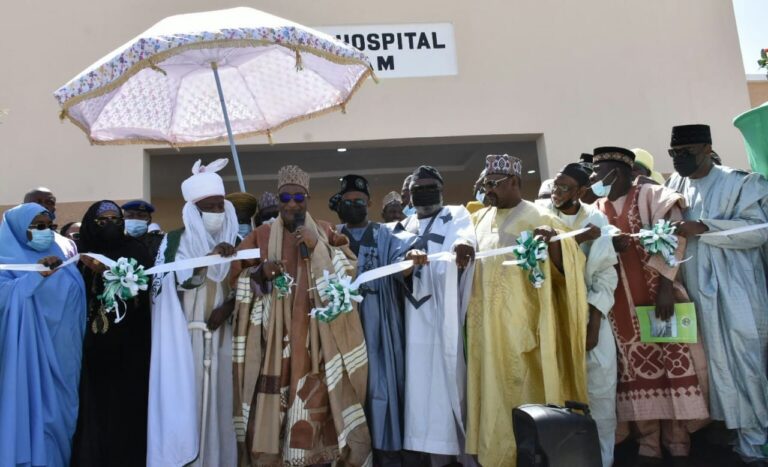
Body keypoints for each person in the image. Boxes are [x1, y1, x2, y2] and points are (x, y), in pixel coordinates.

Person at [230, 165, 372, 466]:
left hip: (318, 344)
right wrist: (260, 273)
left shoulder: (324, 230)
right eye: (285, 198)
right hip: (274, 346)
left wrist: (318, 246)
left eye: (298, 197)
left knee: (316, 416)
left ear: (307, 198)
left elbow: (349, 267)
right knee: (269, 420)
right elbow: (236, 275)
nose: (292, 204)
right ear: (279, 201)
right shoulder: (262, 235)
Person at [465, 155, 589, 467]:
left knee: (524, 394)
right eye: (485, 183)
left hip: (525, 326)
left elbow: (570, 270)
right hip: (485, 329)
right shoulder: (479, 220)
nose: (487, 189)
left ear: (515, 182)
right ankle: (493, 457)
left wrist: (554, 246)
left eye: (494, 183)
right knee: (489, 395)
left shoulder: (539, 217)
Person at [591, 146, 709, 465]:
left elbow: (674, 237)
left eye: (598, 173)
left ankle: (678, 442)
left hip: (659, 297)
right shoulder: (597, 207)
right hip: (620, 307)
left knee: (671, 366)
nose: (593, 179)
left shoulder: (652, 194)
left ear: (616, 172)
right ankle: (649, 445)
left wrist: (666, 288)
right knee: (634, 371)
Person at [665, 124, 768, 463]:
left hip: (737, 287)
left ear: (708, 148)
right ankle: (733, 430)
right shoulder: (675, 185)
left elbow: (759, 230)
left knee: (746, 360)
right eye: (674, 154)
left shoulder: (739, 182)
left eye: (687, 153)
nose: (680, 160)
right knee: (713, 364)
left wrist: (706, 228)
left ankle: (758, 439)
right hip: (697, 290)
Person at [147, 158, 239, 467]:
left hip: (225, 332)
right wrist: (206, 259)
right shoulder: (174, 241)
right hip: (188, 336)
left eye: (219, 206)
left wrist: (229, 306)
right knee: (192, 400)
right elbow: (179, 282)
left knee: (224, 401)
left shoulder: (237, 241)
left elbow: (243, 284)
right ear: (193, 210)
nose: (216, 213)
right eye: (209, 207)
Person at [334, 175, 421, 465]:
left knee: (380, 388)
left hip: (379, 326)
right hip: (342, 328)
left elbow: (403, 263)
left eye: (359, 201)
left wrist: (412, 258)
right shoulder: (332, 237)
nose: (354, 206)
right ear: (339, 205)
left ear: (369, 203)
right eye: (347, 202)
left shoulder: (386, 235)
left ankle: (385, 452)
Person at [399, 165, 477, 464]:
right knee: (419, 387)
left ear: (442, 189)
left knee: (449, 383)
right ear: (410, 194)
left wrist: (462, 247)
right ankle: (431, 456)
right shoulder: (402, 226)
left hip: (445, 315)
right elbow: (394, 260)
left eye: (431, 187)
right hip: (412, 317)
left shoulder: (454, 215)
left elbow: (464, 238)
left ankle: (460, 455)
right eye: (419, 188)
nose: (425, 193)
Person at [0, 203, 85, 467]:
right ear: (17, 229)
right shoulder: (6, 257)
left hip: (65, 354)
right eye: (38, 227)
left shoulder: (62, 254)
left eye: (49, 226)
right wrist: (35, 277)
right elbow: (5, 297)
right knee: (34, 417)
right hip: (27, 356)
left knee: (62, 418)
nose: (46, 232)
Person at [70, 201, 153, 467]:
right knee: (92, 408)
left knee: (126, 409)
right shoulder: (78, 254)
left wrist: (107, 272)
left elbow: (143, 290)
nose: (110, 224)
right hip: (88, 349)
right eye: (102, 220)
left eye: (115, 219)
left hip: (131, 348)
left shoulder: (135, 250)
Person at [548, 162, 619, 467]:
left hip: (591, 315)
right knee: (558, 395)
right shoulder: (542, 217)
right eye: (555, 185)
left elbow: (605, 276)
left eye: (564, 187)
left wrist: (593, 322)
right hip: (552, 316)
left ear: (580, 191)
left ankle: (603, 460)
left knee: (600, 393)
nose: (556, 193)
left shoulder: (595, 219)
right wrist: (574, 240)